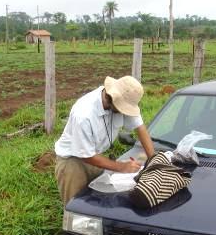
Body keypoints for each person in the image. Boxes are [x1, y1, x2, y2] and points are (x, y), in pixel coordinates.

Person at [54, 75, 155, 204]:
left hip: (95, 156)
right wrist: (121, 167)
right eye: (122, 108)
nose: (123, 112)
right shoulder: (84, 114)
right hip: (72, 162)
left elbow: (140, 129)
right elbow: (85, 155)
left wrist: (153, 161)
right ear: (110, 98)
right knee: (76, 207)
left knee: (98, 203)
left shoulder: (123, 98)